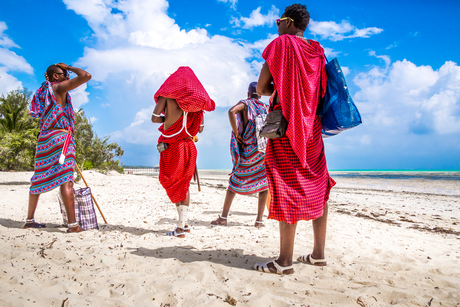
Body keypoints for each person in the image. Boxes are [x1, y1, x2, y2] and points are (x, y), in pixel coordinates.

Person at [253, 4, 336, 274]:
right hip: (311, 127)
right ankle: (318, 255)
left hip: (287, 125)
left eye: (279, 21)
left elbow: (263, 87)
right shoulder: (316, 50)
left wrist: (282, 85)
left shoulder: (282, 45)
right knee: (317, 184)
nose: (276, 25)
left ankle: (284, 262)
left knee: (285, 183)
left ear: (288, 23)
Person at [26, 63, 91, 233]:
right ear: (55, 76)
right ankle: (72, 225)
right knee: (66, 179)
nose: (68, 77)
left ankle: (29, 220)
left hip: (44, 139)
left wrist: (65, 70)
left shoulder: (43, 92)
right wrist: (69, 66)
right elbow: (85, 76)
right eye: (65, 74)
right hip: (61, 138)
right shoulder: (58, 88)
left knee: (38, 178)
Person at [152, 66, 215, 238]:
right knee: (184, 184)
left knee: (172, 182)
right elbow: (199, 129)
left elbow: (154, 118)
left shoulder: (166, 96)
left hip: (172, 146)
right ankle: (183, 224)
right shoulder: (198, 105)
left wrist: (171, 118)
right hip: (189, 146)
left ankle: (181, 227)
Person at [211, 82, 269, 228]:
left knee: (235, 181)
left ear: (248, 93)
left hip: (248, 151)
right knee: (263, 184)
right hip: (263, 151)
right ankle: (259, 221)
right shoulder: (265, 107)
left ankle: (223, 217)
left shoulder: (245, 103)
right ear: (260, 94)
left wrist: (237, 134)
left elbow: (231, 111)